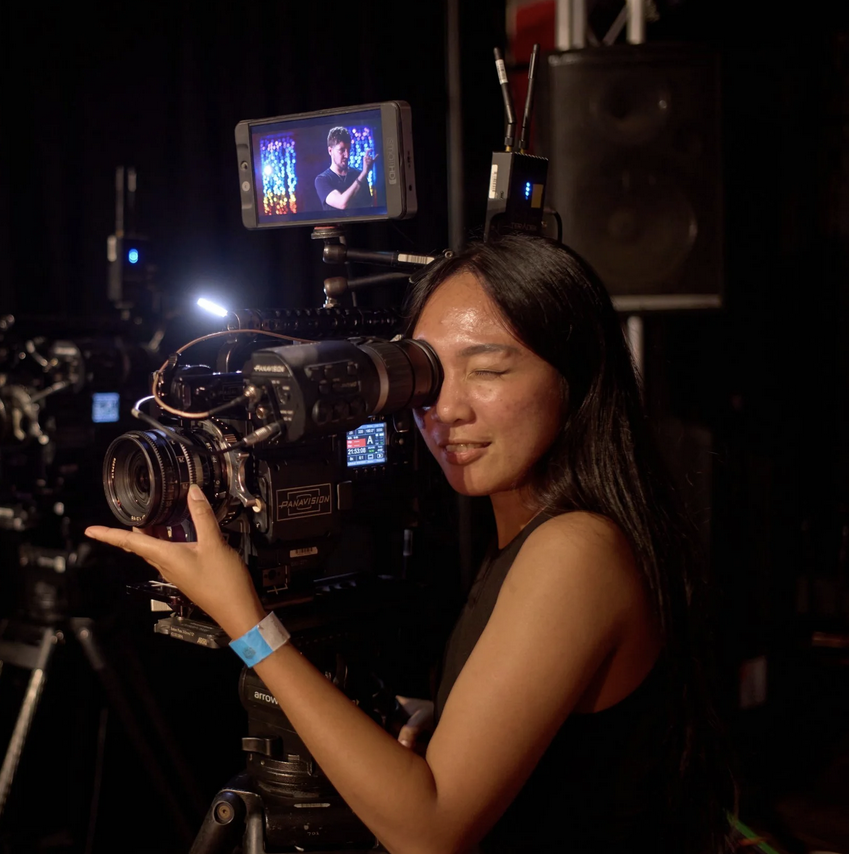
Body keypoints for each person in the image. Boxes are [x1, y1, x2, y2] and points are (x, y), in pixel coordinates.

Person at [85, 235, 734, 853]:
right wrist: (458, 729)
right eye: (426, 376)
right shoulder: (532, 530)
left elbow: (430, 831)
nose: (447, 409)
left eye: (488, 370)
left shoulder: (575, 550)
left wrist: (245, 622)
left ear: (576, 375)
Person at [315, 126, 377, 212]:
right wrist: (363, 174)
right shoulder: (322, 179)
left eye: (349, 150)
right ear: (330, 151)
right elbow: (341, 203)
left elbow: (369, 207)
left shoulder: (358, 174)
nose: (347, 155)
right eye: (341, 150)